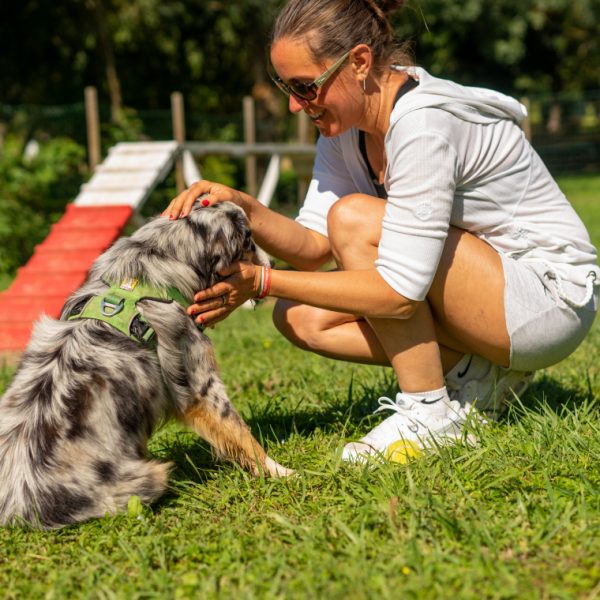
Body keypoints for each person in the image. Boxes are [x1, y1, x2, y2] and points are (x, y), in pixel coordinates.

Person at [164, 0, 599, 463]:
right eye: (284, 86)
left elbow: (398, 292)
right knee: (300, 316)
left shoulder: (423, 125)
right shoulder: (343, 129)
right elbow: (314, 249)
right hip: (494, 297)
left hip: (549, 303)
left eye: (304, 86)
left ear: (358, 62)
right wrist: (245, 207)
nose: (295, 104)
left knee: (353, 219)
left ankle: (429, 411)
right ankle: (479, 376)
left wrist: (262, 282)